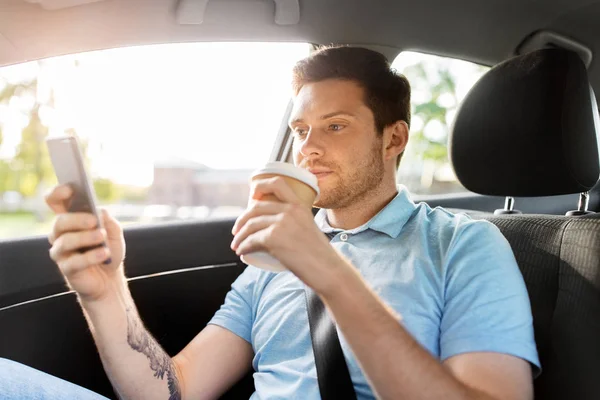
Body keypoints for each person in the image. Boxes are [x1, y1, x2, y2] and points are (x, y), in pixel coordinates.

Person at [0, 46, 540, 400]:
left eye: (334, 126)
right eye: (301, 130)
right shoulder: (269, 263)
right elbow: (174, 391)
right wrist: (105, 291)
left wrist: (327, 269)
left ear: (393, 139)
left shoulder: (464, 245)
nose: (310, 148)